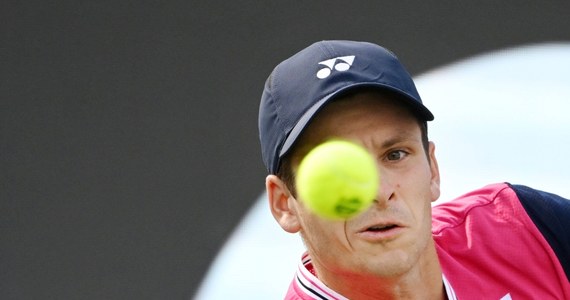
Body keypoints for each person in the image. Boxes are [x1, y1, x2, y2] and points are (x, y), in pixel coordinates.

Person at [257, 40, 570, 299]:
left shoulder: (526, 227)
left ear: (433, 170)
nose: (379, 192)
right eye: (337, 171)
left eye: (395, 155)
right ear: (284, 204)